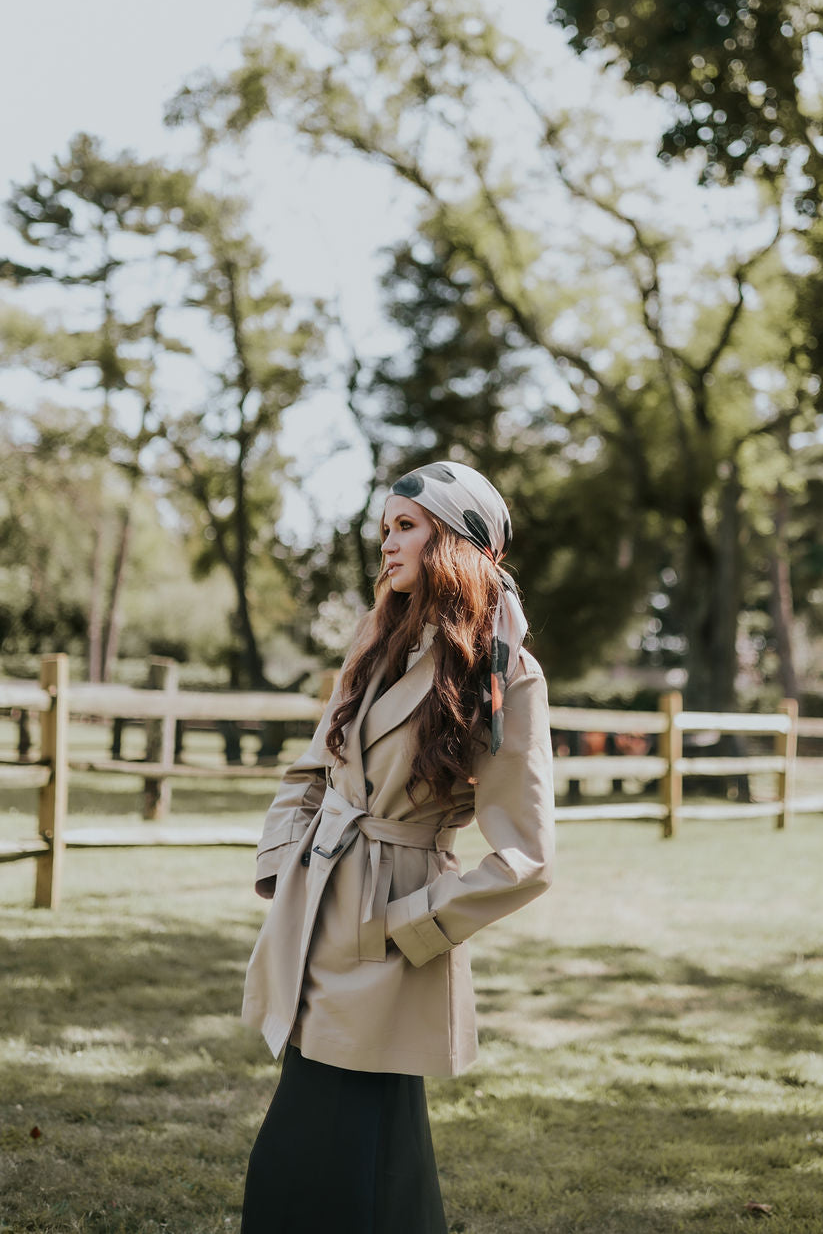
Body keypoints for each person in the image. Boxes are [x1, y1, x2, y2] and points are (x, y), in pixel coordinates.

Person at [239, 460, 556, 1233]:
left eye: (405, 526)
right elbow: (314, 764)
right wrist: (281, 861)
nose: (386, 544)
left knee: (338, 1150)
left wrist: (410, 925)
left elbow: (528, 855)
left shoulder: (503, 673)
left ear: (452, 540)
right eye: (385, 527)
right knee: (354, 1150)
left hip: (391, 927)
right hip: (316, 904)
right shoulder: (378, 631)